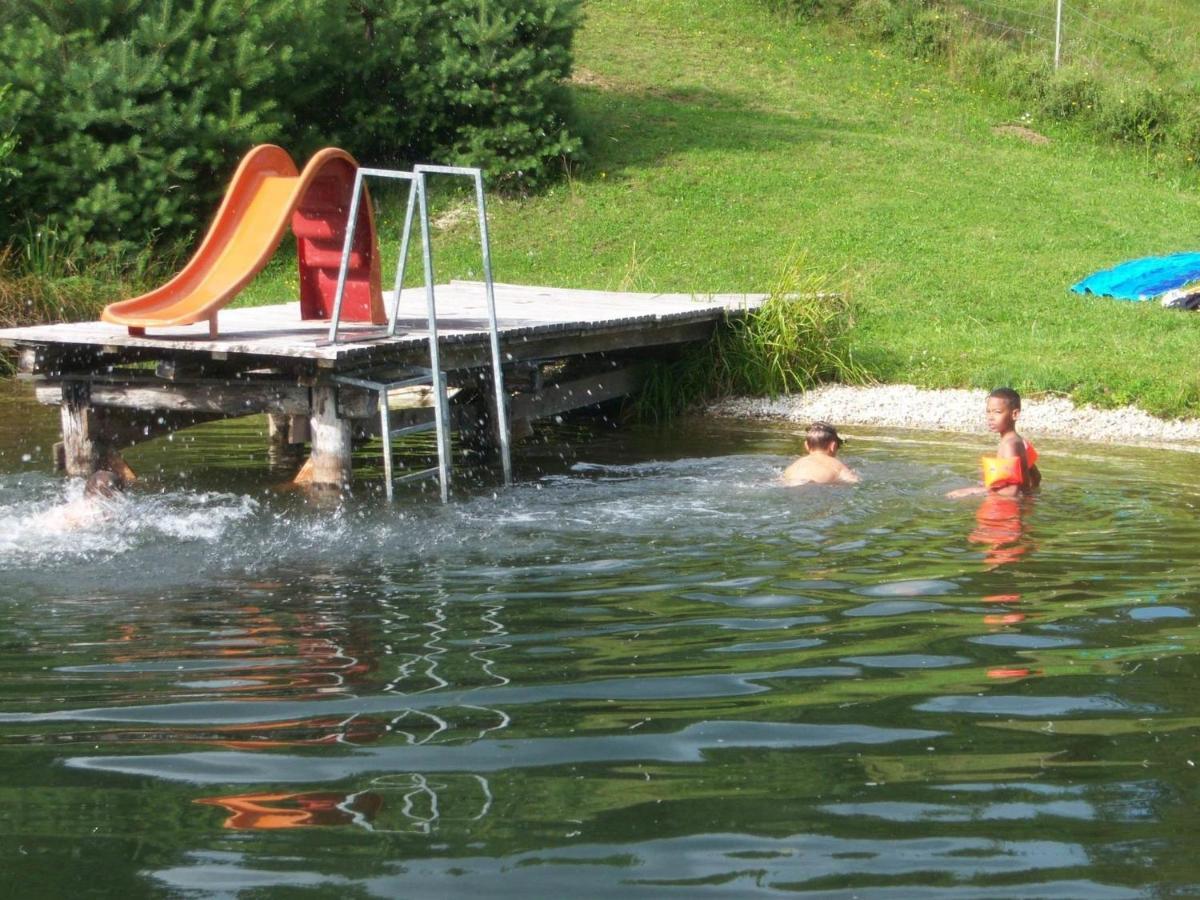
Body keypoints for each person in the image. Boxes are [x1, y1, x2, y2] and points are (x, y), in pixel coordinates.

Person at [947, 387, 1041, 498]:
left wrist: (971, 491)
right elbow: (1036, 477)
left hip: (1012, 506)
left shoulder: (1009, 445)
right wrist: (1029, 497)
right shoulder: (1019, 441)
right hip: (1023, 504)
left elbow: (1012, 491)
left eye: (997, 412)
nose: (991, 417)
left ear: (1014, 414)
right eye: (988, 411)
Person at [781, 422, 860, 486]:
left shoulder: (794, 466)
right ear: (833, 446)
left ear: (806, 445)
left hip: (793, 483)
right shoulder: (837, 465)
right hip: (819, 488)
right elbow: (854, 481)